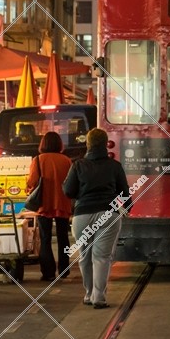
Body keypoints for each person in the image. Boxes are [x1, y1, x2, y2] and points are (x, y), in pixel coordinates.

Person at [63, 128, 128, 308]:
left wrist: (82, 194)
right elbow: (124, 192)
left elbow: (68, 191)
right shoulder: (114, 166)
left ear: (88, 144)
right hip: (108, 214)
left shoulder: (78, 165)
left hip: (82, 214)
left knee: (85, 256)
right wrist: (128, 207)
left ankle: (88, 294)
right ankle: (98, 297)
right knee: (101, 257)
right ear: (106, 144)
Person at [28, 131, 74, 283]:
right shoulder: (67, 160)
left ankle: (48, 273)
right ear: (59, 144)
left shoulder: (38, 160)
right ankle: (64, 270)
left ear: (43, 144)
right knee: (63, 237)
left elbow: (32, 182)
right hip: (63, 202)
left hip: (44, 204)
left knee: (45, 239)